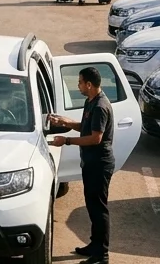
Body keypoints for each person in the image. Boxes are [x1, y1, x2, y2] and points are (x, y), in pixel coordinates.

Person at [48, 67, 116, 264]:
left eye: (79, 82)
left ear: (89, 84)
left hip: (99, 164)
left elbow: (95, 138)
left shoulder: (100, 106)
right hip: (91, 163)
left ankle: (101, 255)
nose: (78, 86)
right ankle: (95, 245)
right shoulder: (90, 101)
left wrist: (67, 141)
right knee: (92, 206)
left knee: (99, 208)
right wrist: (66, 122)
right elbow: (86, 127)